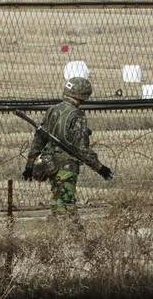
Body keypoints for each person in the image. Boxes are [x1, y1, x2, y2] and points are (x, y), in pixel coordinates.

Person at [22, 76, 113, 217]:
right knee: (64, 207)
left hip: (49, 164)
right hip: (66, 167)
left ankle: (59, 235)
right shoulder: (77, 115)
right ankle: (72, 236)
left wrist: (30, 164)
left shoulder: (52, 110)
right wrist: (99, 168)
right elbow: (82, 149)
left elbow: (38, 140)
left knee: (58, 203)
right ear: (83, 96)